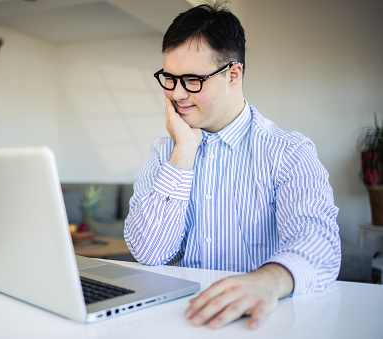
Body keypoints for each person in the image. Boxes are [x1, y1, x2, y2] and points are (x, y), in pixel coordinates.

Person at [124, 2, 341, 331]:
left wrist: (267, 281)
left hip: (262, 322)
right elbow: (149, 253)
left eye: (192, 80)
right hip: (182, 321)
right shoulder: (163, 153)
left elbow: (320, 244)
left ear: (233, 74)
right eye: (169, 78)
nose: (177, 94)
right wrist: (183, 151)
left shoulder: (289, 151)